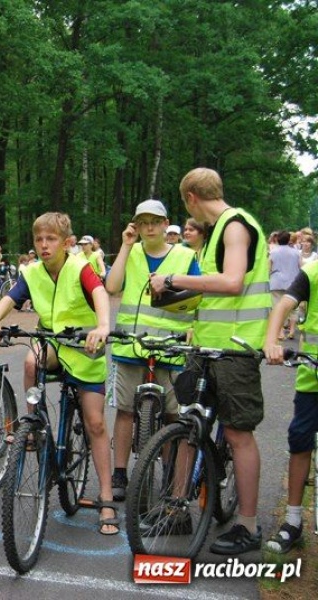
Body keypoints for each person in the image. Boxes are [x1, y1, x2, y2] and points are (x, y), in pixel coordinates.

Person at [149, 167, 271, 555]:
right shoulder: (215, 232)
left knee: (238, 434)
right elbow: (217, 293)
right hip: (206, 346)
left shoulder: (235, 226)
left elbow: (233, 281)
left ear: (191, 198)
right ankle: (176, 506)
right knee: (190, 424)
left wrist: (174, 280)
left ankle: (248, 526)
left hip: (236, 348)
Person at [0, 212, 117, 534]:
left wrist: (102, 326)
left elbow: (99, 293)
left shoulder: (80, 267)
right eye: (39, 239)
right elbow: (10, 298)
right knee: (31, 361)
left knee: (95, 423)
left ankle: (107, 498)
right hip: (53, 344)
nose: (44, 245)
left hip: (85, 350)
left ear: (67, 243)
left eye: (51, 239)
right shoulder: (33, 272)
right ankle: (33, 423)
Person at [103, 200, 200, 501]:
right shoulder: (130, 253)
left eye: (154, 222)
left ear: (165, 223)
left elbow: (197, 296)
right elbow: (112, 286)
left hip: (171, 348)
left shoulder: (184, 256)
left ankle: (170, 473)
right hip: (131, 346)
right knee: (125, 411)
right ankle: (120, 473)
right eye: (142, 222)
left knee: (172, 415)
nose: (149, 227)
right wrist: (124, 246)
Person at [263, 260, 318, 553]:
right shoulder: (313, 271)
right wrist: (272, 341)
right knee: (299, 439)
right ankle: (293, 521)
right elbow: (284, 304)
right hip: (312, 378)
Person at [269, 231, 302, 340]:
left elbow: (269, 268)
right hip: (293, 283)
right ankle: (292, 330)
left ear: (277, 239)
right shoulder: (296, 252)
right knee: (293, 308)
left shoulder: (273, 252)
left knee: (277, 307)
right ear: (289, 240)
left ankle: (281, 331)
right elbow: (301, 266)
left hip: (276, 282)